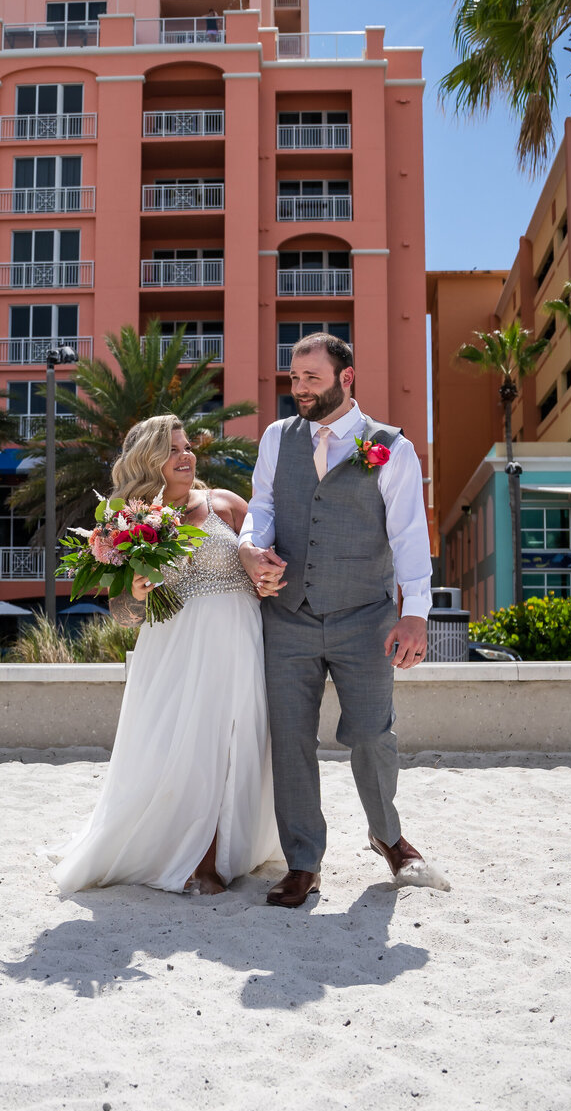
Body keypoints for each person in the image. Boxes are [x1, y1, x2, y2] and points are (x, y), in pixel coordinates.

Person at [238, 333, 447, 908]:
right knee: (290, 740)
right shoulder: (279, 438)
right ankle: (304, 862)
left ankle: (388, 836)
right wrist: (251, 548)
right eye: (294, 379)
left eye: (312, 379)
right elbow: (263, 508)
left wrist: (415, 616)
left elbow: (408, 536)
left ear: (345, 378)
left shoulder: (390, 448)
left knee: (372, 734)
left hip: (367, 616)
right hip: (288, 616)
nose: (299, 389)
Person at [52, 415, 276, 897]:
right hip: (173, 649)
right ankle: (194, 857)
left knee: (232, 744)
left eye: (187, 445)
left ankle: (214, 858)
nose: (186, 455)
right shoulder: (127, 521)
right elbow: (124, 612)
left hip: (237, 639)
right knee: (185, 750)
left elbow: (265, 561)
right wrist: (133, 590)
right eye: (173, 450)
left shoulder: (227, 505)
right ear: (149, 461)